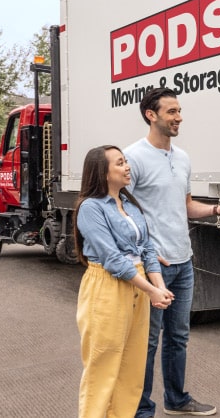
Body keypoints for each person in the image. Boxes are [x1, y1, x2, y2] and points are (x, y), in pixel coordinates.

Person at [124, 87, 220, 417]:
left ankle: (176, 400)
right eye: (172, 112)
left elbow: (187, 206)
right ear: (151, 115)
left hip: (183, 262)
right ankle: (140, 409)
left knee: (178, 336)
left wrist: (219, 211)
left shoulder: (182, 157)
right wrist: (143, 253)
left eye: (180, 111)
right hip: (153, 267)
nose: (179, 117)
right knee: (147, 342)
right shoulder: (132, 158)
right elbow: (121, 213)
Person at [74, 145, 174, 418]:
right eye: (120, 163)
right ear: (103, 172)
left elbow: (148, 250)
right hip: (106, 286)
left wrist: (159, 287)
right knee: (103, 367)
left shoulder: (130, 205)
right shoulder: (90, 208)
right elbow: (114, 260)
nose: (127, 166)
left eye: (125, 161)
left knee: (132, 367)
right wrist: (152, 290)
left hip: (139, 286)